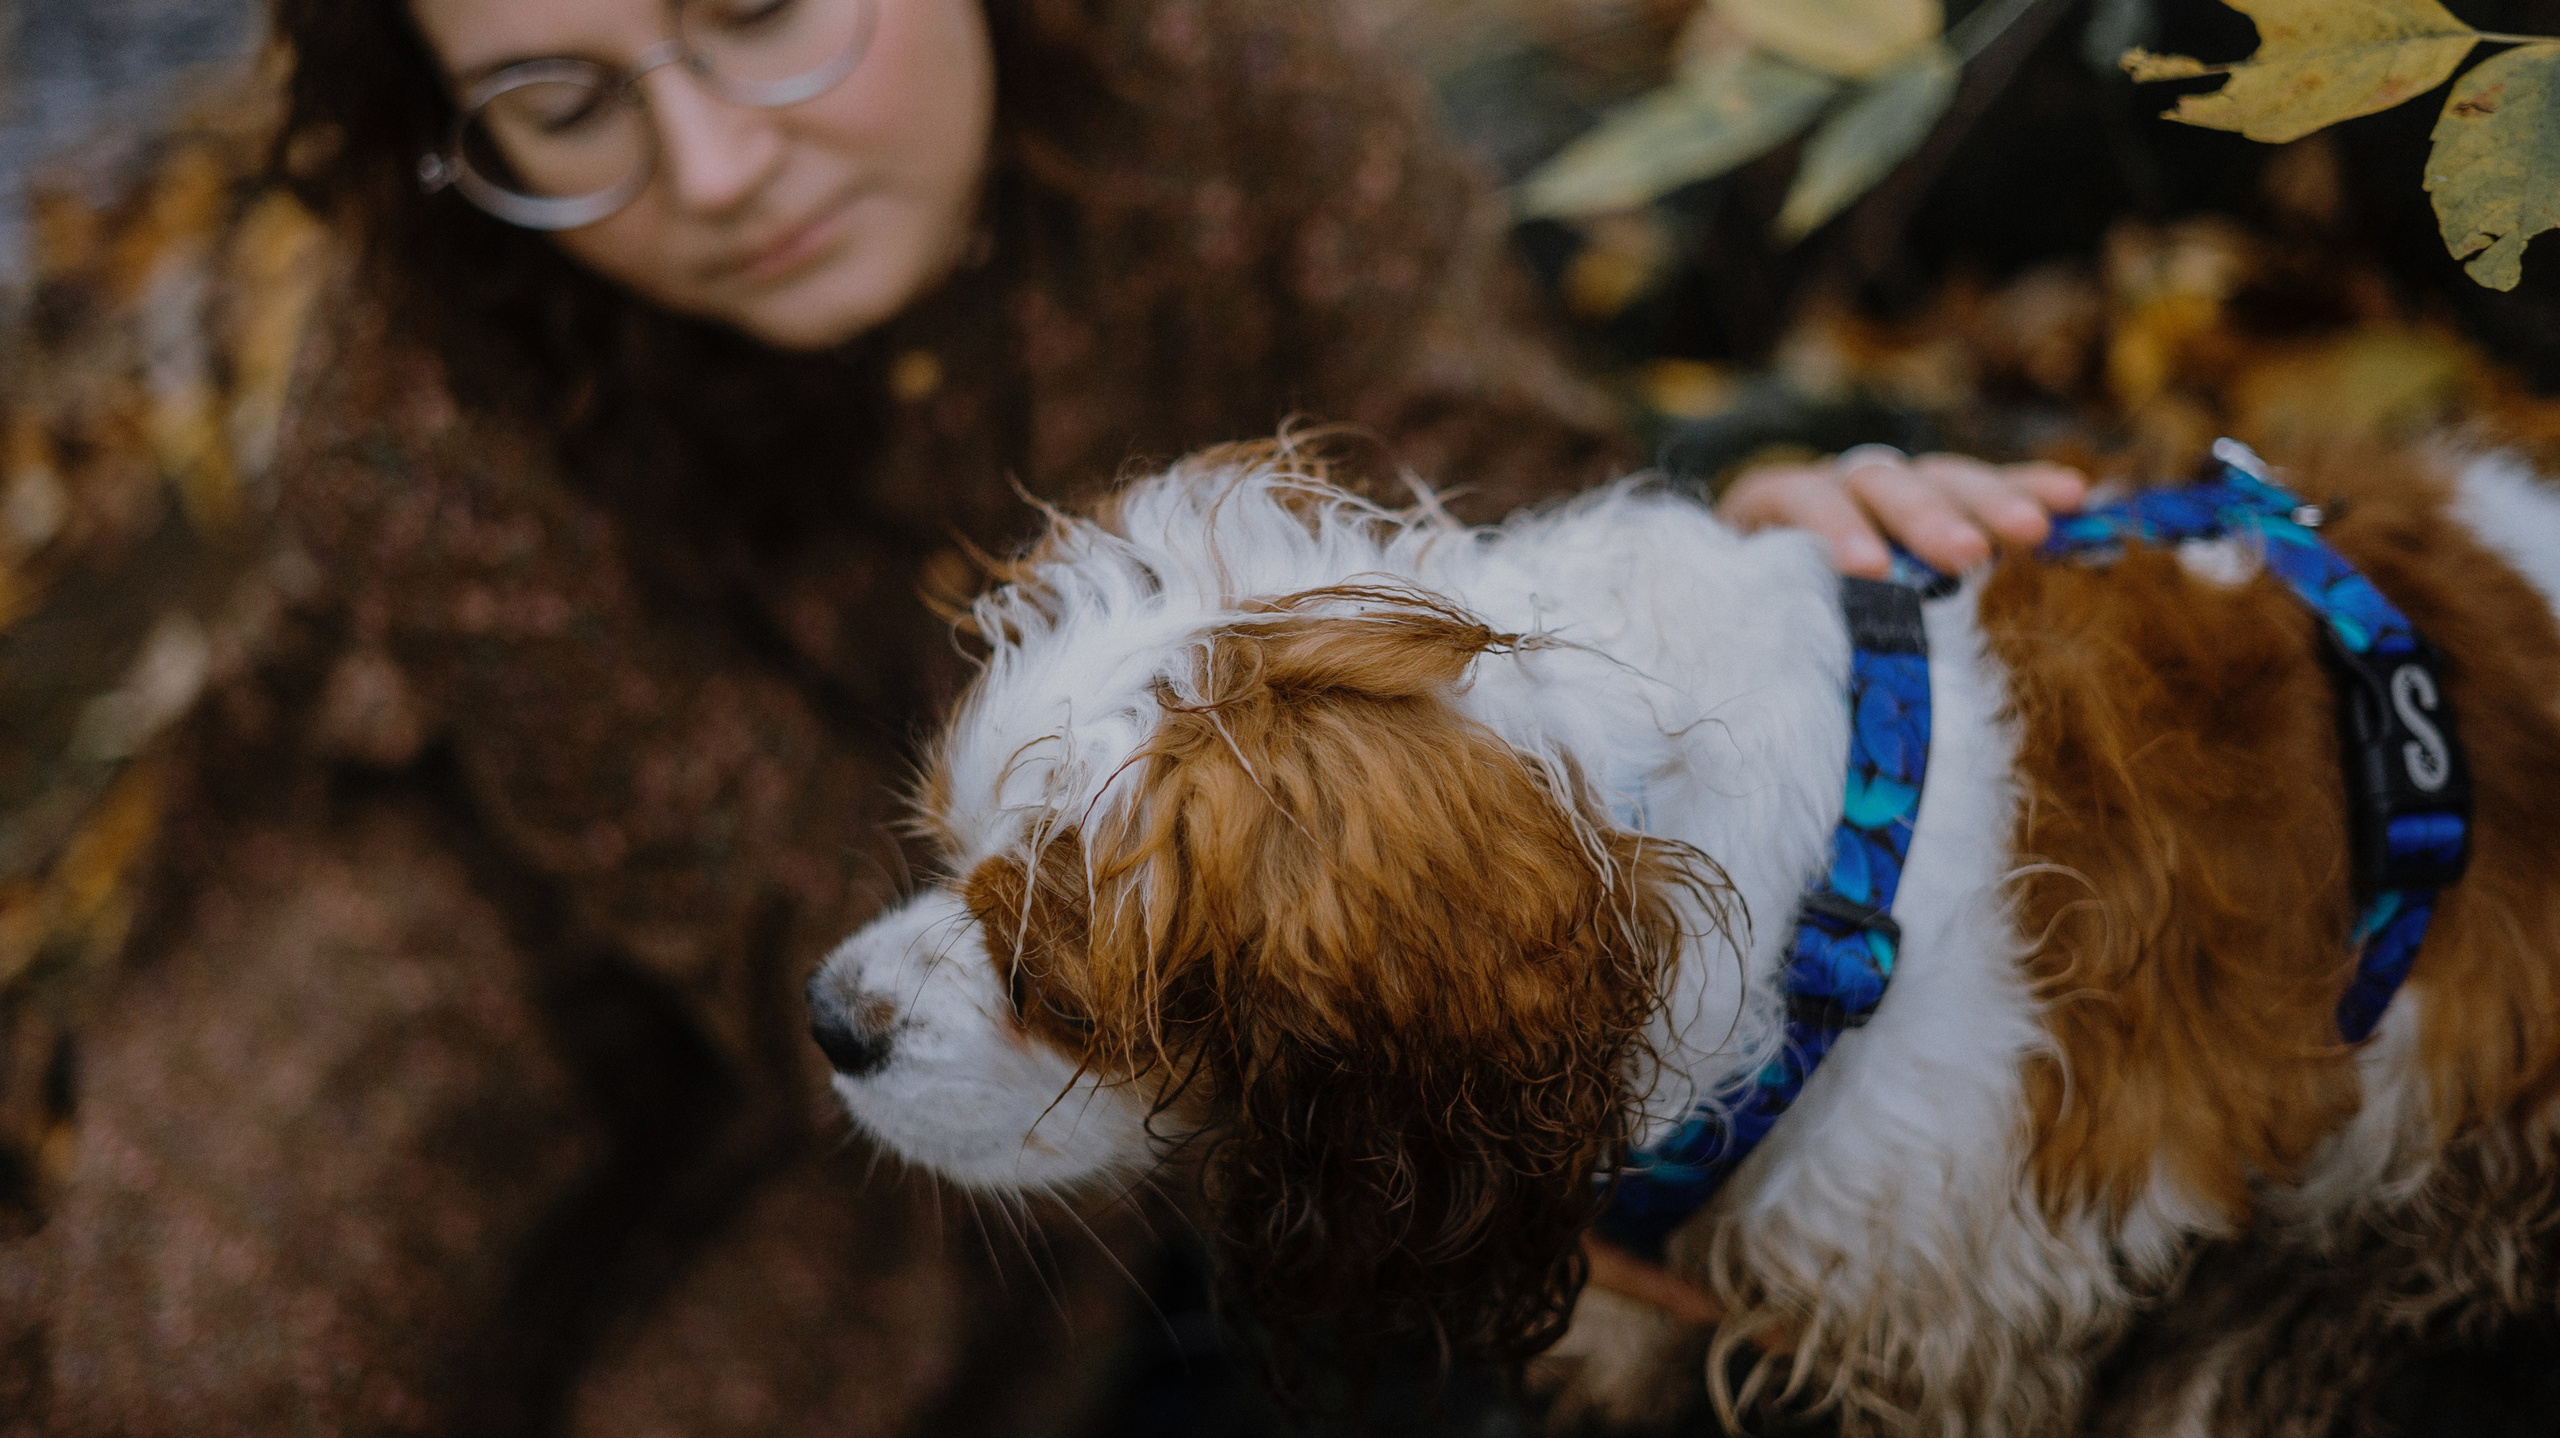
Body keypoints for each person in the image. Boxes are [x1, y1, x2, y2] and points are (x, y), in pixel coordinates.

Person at [0, 0, 2079, 1429]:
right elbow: (763, 897)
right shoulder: (407, 398)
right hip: (565, 853)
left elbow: (1472, 515)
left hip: (1146, 897)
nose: (715, 164)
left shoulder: (1229, 76)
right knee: (219, 1348)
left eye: (761, 7)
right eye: (558, 103)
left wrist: (1736, 593)